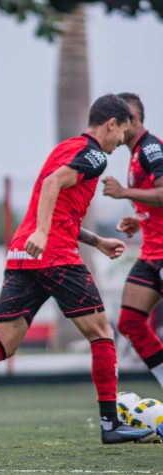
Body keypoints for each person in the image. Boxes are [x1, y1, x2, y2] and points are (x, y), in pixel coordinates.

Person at [0, 94, 153, 444]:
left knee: (4, 343)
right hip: (53, 253)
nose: (121, 142)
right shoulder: (95, 154)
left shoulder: (67, 147)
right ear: (111, 124)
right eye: (122, 132)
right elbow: (54, 185)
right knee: (102, 334)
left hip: (23, 254)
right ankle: (109, 425)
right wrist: (43, 232)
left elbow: (54, 200)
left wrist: (96, 241)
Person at [101, 93, 163, 389]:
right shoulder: (137, 152)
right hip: (151, 254)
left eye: (118, 121)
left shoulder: (151, 149)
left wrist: (124, 193)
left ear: (132, 121)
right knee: (130, 323)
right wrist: (141, 220)